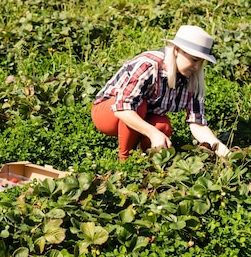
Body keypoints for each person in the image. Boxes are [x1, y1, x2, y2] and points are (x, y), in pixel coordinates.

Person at [91, 25, 230, 161]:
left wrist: (221, 149)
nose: (197, 67)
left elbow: (197, 123)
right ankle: (124, 161)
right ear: (176, 50)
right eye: (194, 60)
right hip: (107, 112)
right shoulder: (149, 65)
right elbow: (122, 108)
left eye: (201, 62)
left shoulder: (193, 79)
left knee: (163, 126)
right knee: (140, 106)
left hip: (141, 114)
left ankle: (145, 158)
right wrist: (153, 133)